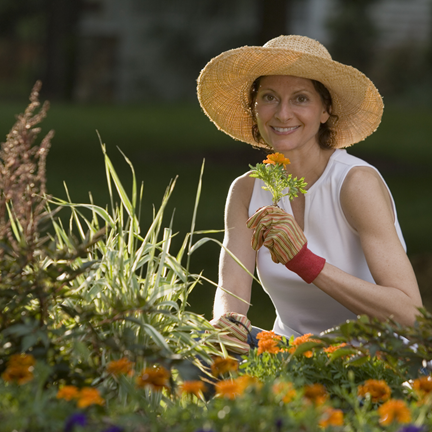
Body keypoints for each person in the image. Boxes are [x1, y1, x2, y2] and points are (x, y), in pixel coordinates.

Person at [197, 35, 423, 349]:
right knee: (200, 344)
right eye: (269, 97)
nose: (283, 113)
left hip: (373, 360)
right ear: (254, 108)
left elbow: (410, 315)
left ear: (324, 110)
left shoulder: (354, 183)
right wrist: (227, 324)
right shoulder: (246, 190)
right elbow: (231, 291)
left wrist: (305, 262)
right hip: (292, 355)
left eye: (301, 98)